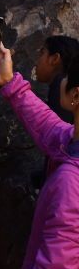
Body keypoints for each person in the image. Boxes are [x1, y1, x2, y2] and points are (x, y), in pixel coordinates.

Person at [0, 42, 79, 269]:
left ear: (76, 94)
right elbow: (50, 128)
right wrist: (10, 83)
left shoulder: (71, 182)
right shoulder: (71, 142)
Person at [30, 35, 79, 189]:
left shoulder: (61, 88)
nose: (37, 60)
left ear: (54, 59)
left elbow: (57, 146)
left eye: (42, 53)